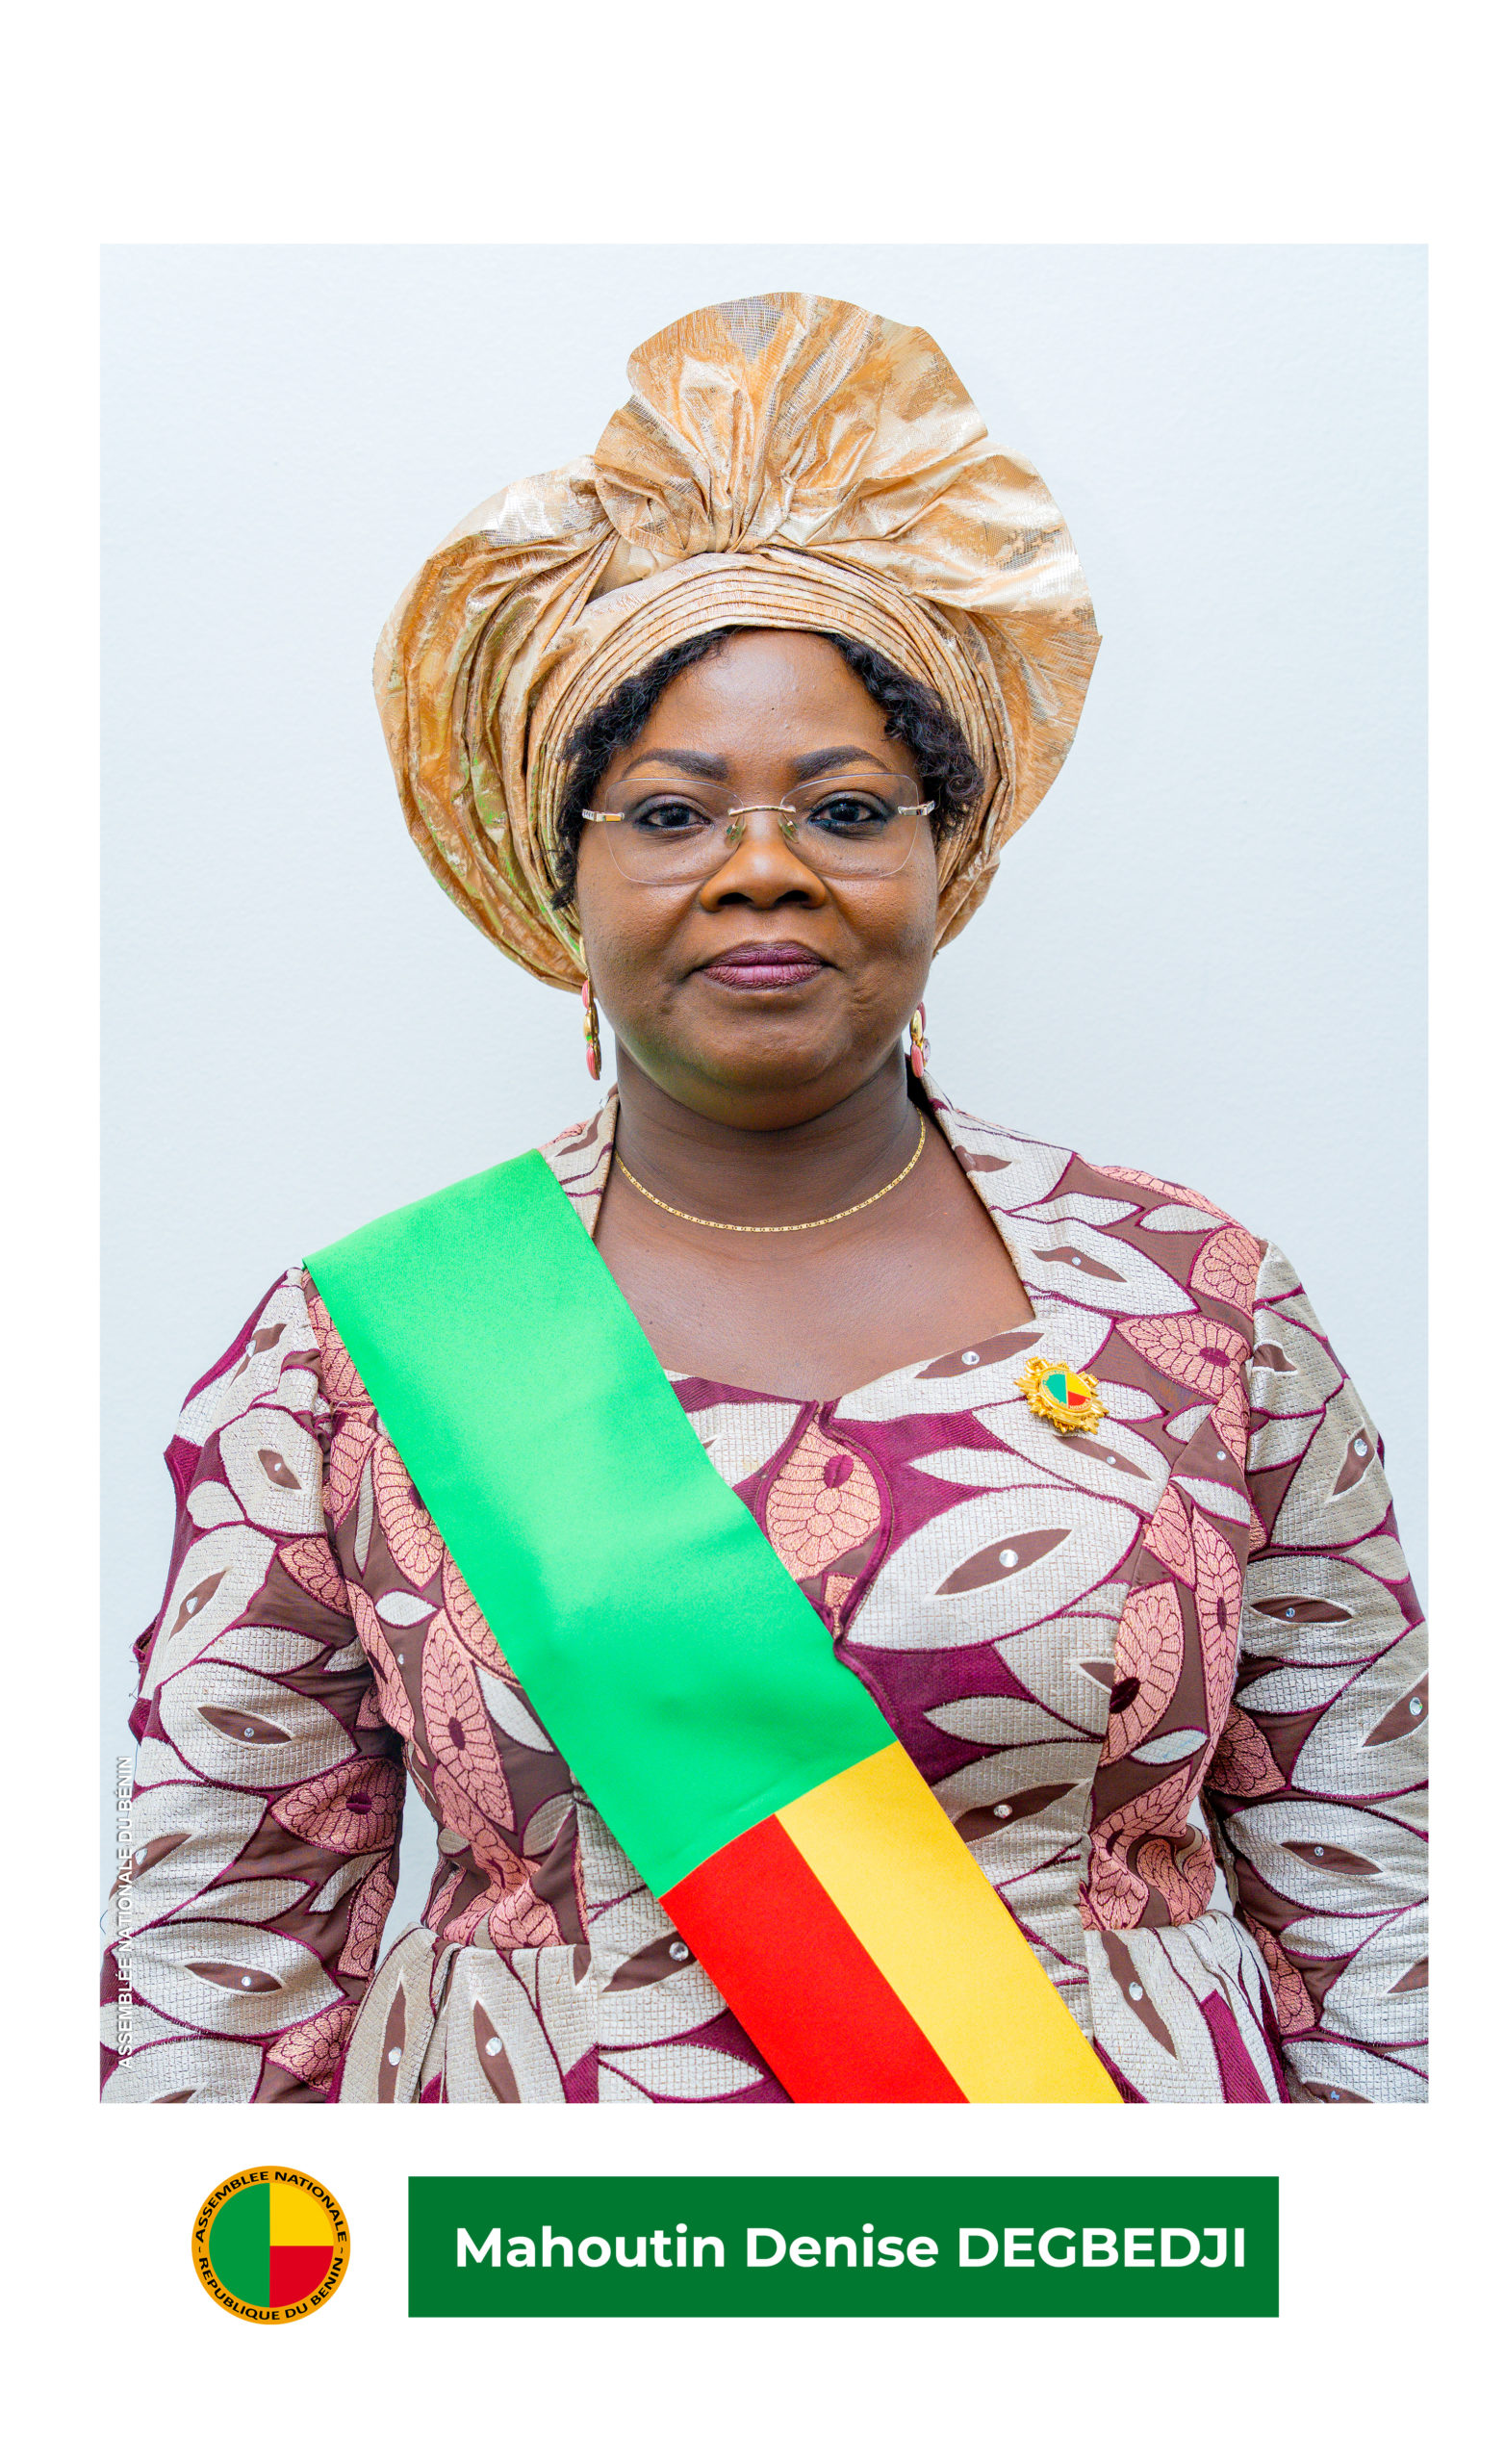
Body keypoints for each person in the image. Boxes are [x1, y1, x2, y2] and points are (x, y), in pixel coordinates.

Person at [102, 294, 1426, 2106]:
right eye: (669, 815)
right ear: (558, 875)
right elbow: (221, 1941)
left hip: (1097, 2244)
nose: (764, 870)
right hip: (544, 2249)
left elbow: (1379, 1892)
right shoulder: (365, 1348)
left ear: (947, 861)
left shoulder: (1199, 1304)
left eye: (849, 810)